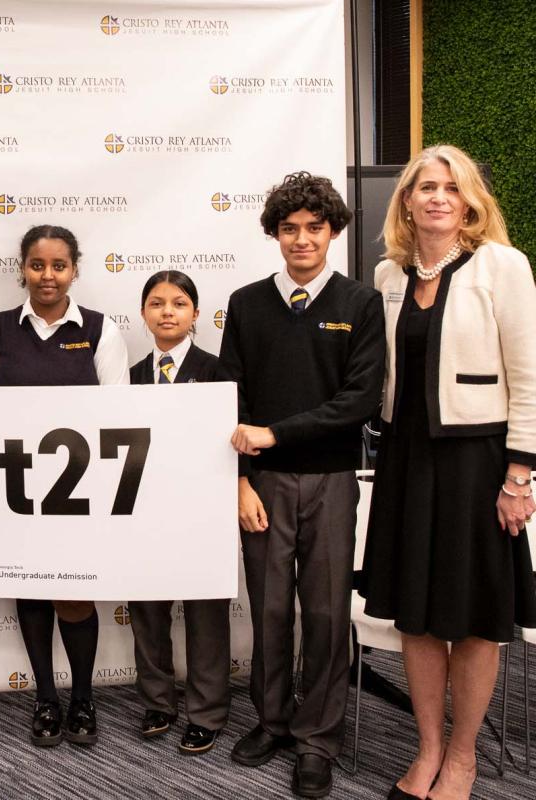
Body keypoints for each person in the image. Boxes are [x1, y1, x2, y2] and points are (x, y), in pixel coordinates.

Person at [357, 144, 536, 800]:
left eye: (450, 187)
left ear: (469, 202)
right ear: (406, 200)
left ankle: (462, 758)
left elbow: (529, 376)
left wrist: (520, 476)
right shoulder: (388, 275)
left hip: (478, 462)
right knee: (418, 615)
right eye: (424, 186)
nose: (436, 196)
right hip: (406, 460)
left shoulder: (502, 267)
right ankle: (427, 749)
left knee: (475, 614)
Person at [220, 171, 385, 798]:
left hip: (333, 481)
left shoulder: (360, 304)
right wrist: (240, 479)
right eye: (289, 229)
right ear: (274, 235)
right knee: (267, 613)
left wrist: (275, 434)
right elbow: (228, 402)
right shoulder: (246, 303)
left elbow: (360, 401)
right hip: (261, 485)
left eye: (314, 228)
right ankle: (272, 722)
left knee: (322, 614)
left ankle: (317, 740)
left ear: (334, 232)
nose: (301, 239)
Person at [0, 225, 128, 748]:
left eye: (59, 265)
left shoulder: (99, 329)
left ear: (75, 269)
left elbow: (118, 414)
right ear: (22, 267)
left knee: (74, 594)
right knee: (32, 591)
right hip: (15, 489)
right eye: (38, 265)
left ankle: (83, 697)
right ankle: (45, 697)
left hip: (79, 492)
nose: (48, 276)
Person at [127, 270, 230, 756]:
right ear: (143, 313)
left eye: (179, 303)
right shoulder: (126, 379)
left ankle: (206, 712)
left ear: (195, 314)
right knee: (148, 613)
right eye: (157, 303)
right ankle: (158, 702)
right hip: (144, 513)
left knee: (206, 616)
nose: (167, 311)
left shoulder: (218, 371)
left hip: (201, 512)